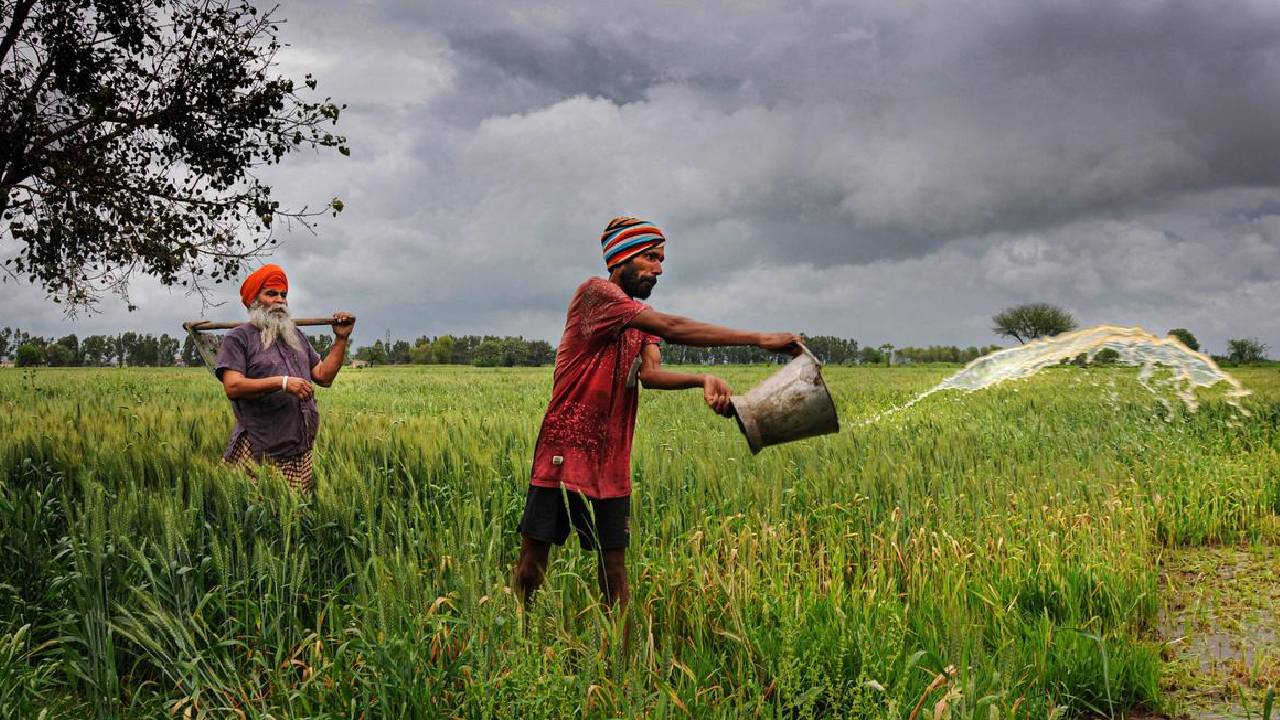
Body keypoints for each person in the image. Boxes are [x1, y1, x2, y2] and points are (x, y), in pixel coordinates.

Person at [514, 216, 802, 611]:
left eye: (661, 259)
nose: (659, 268)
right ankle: (518, 627)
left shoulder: (637, 322)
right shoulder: (595, 294)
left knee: (614, 570)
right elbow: (673, 325)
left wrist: (701, 379)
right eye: (651, 257)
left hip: (611, 459)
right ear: (622, 257)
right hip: (565, 450)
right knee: (533, 563)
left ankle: (619, 656)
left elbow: (650, 375)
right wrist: (759, 338)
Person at [214, 264, 354, 494]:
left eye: (283, 294)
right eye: (271, 294)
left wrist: (341, 340)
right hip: (261, 450)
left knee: (295, 519)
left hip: (298, 450)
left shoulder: (294, 335)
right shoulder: (239, 338)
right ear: (254, 301)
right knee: (259, 520)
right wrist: (284, 383)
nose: (280, 300)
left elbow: (323, 376)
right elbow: (233, 386)